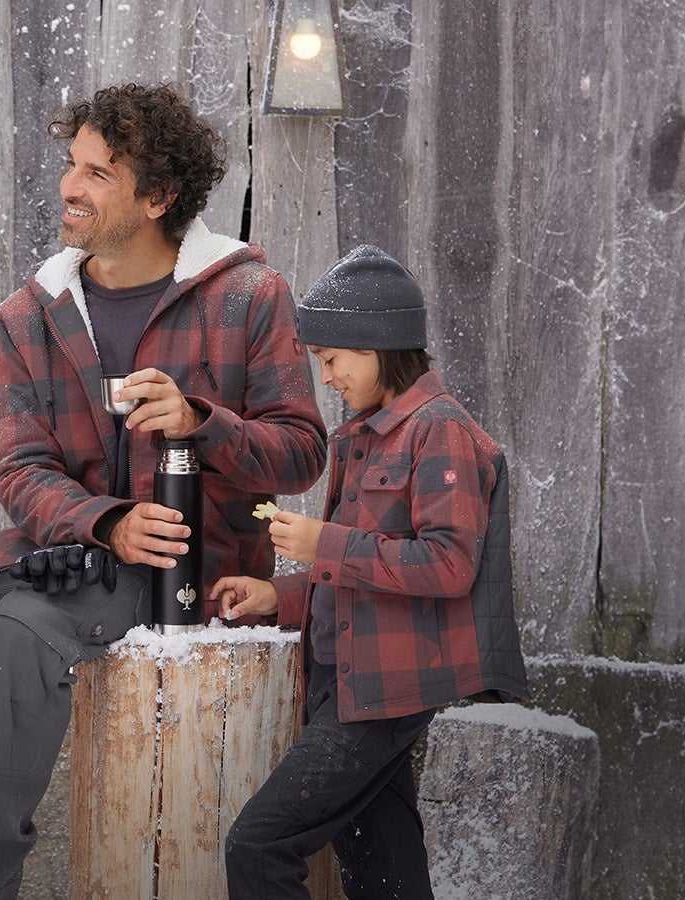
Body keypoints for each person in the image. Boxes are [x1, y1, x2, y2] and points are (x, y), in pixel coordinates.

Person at [0, 82, 328, 900]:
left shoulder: (248, 296)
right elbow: (22, 470)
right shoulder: (30, 312)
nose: (70, 187)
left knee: (21, 628)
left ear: (158, 197)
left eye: (99, 173)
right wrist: (103, 522)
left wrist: (201, 421)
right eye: (71, 165)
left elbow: (301, 455)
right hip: (66, 552)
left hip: (178, 571)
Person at [213, 245, 530, 899]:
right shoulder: (367, 434)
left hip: (385, 691)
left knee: (260, 845)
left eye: (332, 359)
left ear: (377, 345)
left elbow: (447, 565)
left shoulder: (439, 433)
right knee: (386, 879)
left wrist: (323, 541)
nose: (326, 376)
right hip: (347, 683)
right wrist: (278, 593)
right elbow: (369, 574)